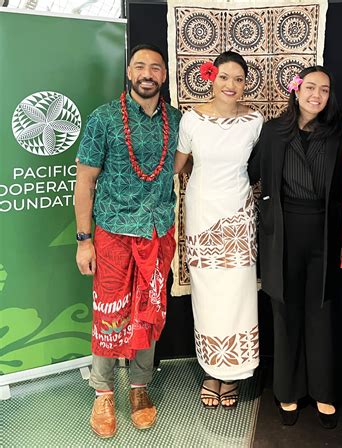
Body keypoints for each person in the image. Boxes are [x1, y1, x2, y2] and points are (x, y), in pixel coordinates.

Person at [74, 44, 181, 438]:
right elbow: (84, 182)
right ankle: (103, 391)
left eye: (156, 66)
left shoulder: (177, 120)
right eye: (140, 66)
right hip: (113, 234)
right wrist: (84, 240)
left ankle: (139, 387)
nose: (148, 72)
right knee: (110, 310)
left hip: (156, 233)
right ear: (130, 73)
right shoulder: (103, 119)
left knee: (149, 311)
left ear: (165, 76)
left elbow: (181, 165)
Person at [248, 66, 342, 427]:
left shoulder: (339, 132)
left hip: (324, 232)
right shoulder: (274, 132)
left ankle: (323, 391)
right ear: (297, 90)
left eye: (324, 90)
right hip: (283, 233)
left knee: (321, 312)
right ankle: (287, 392)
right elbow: (251, 172)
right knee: (285, 312)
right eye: (310, 87)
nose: (316, 96)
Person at [174, 51, 263, 409]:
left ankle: (235, 373)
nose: (231, 85)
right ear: (212, 78)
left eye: (238, 79)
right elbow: (178, 165)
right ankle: (212, 372)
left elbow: (265, 163)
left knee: (238, 295)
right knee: (208, 295)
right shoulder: (191, 121)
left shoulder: (255, 121)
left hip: (239, 219)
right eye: (224, 77)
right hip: (202, 217)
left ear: (245, 84)